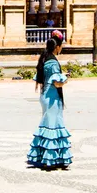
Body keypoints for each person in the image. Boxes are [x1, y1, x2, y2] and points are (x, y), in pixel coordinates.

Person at [26, 34, 71, 170]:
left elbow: (42, 79)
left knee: (49, 125)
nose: (61, 48)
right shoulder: (53, 62)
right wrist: (66, 78)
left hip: (45, 95)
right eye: (61, 46)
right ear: (57, 47)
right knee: (52, 126)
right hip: (52, 97)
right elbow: (57, 83)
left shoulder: (45, 59)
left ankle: (48, 157)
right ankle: (49, 159)